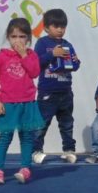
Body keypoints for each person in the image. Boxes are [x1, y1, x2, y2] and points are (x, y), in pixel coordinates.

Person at [0, 18, 44, 184]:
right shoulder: (0, 57)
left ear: (28, 38)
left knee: (27, 137)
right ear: (8, 37)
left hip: (27, 103)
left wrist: (23, 55)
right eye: (14, 36)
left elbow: (34, 72)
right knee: (5, 137)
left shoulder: (32, 55)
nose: (18, 40)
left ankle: (25, 168)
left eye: (22, 36)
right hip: (8, 104)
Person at [32, 9, 81, 164]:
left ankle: (69, 150)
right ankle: (36, 150)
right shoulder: (42, 43)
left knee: (67, 124)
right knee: (41, 124)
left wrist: (76, 62)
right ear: (46, 28)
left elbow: (74, 66)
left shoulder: (67, 44)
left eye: (63, 26)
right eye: (56, 26)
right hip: (48, 93)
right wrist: (52, 54)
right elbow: (36, 63)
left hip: (66, 92)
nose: (60, 29)